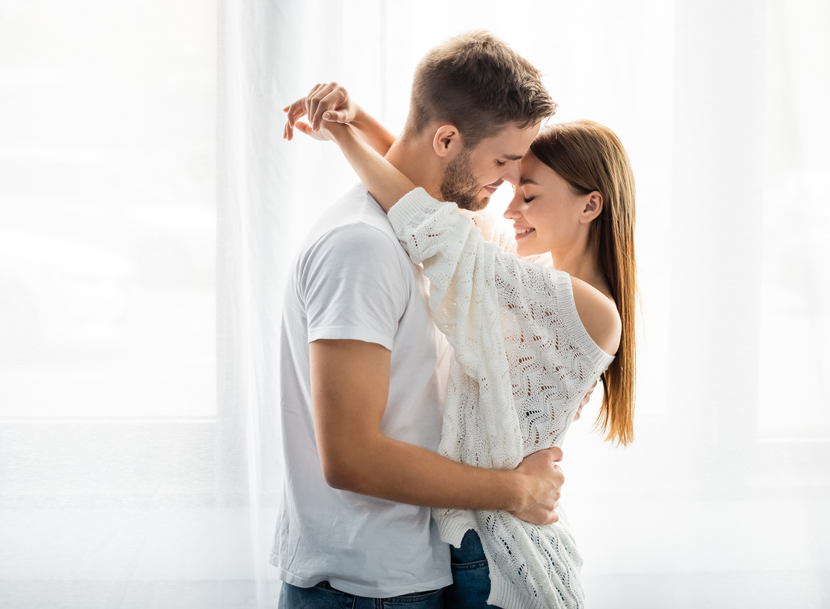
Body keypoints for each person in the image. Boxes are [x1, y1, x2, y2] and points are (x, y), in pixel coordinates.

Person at [287, 84, 637, 608]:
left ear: (591, 205)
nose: (510, 206)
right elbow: (435, 197)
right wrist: (364, 120)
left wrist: (345, 135)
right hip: (477, 541)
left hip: (500, 552)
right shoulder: (531, 276)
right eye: (513, 185)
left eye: (530, 194)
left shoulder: (587, 308)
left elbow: (434, 225)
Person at [270, 31, 564, 609]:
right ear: (448, 138)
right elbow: (351, 456)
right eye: (503, 161)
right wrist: (516, 491)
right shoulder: (361, 248)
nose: (508, 182)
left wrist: (354, 122)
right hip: (364, 589)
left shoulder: (426, 231)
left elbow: (415, 185)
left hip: (415, 572)